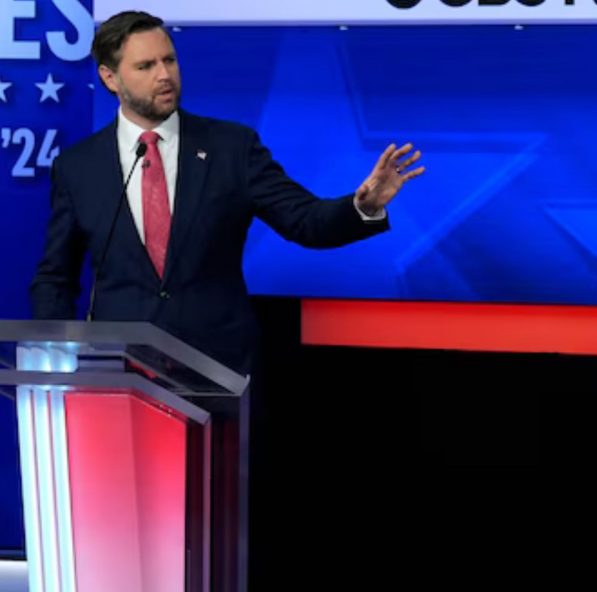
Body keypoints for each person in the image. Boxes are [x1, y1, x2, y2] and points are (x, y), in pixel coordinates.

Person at [29, 10, 424, 374]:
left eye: (169, 60)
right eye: (146, 66)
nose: (164, 75)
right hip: (121, 371)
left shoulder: (232, 147)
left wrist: (362, 206)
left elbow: (306, 221)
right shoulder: (79, 167)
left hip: (218, 369)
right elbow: (55, 276)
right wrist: (55, 353)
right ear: (110, 78)